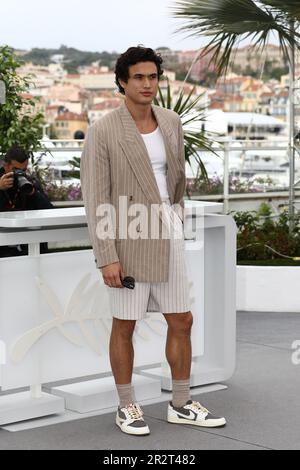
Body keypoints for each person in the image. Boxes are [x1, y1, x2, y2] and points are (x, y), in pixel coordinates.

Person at [80, 46, 226, 436]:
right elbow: (96, 197)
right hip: (127, 234)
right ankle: (126, 405)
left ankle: (180, 402)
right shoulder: (104, 129)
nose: (147, 84)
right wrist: (106, 256)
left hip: (168, 228)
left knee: (182, 318)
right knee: (125, 323)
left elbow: (175, 180)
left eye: (153, 77)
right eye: (139, 77)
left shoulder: (171, 121)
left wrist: (174, 217)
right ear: (123, 82)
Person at [0, 145, 54, 257]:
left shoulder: (29, 182)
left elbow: (49, 210)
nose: (20, 173)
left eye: (23, 170)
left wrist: (33, 193)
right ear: (5, 166)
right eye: (16, 169)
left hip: (27, 244)